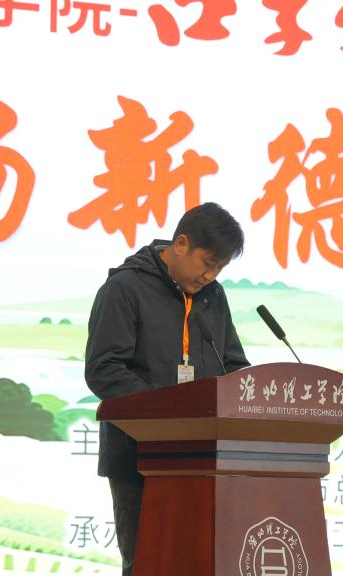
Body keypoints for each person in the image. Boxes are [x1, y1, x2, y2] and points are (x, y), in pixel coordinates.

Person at [83, 202, 250, 576]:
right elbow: (103, 370)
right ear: (181, 244)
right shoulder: (125, 288)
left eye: (220, 268)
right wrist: (168, 410)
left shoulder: (212, 296)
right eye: (207, 263)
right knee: (150, 563)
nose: (210, 275)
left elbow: (233, 365)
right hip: (139, 457)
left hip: (207, 458)